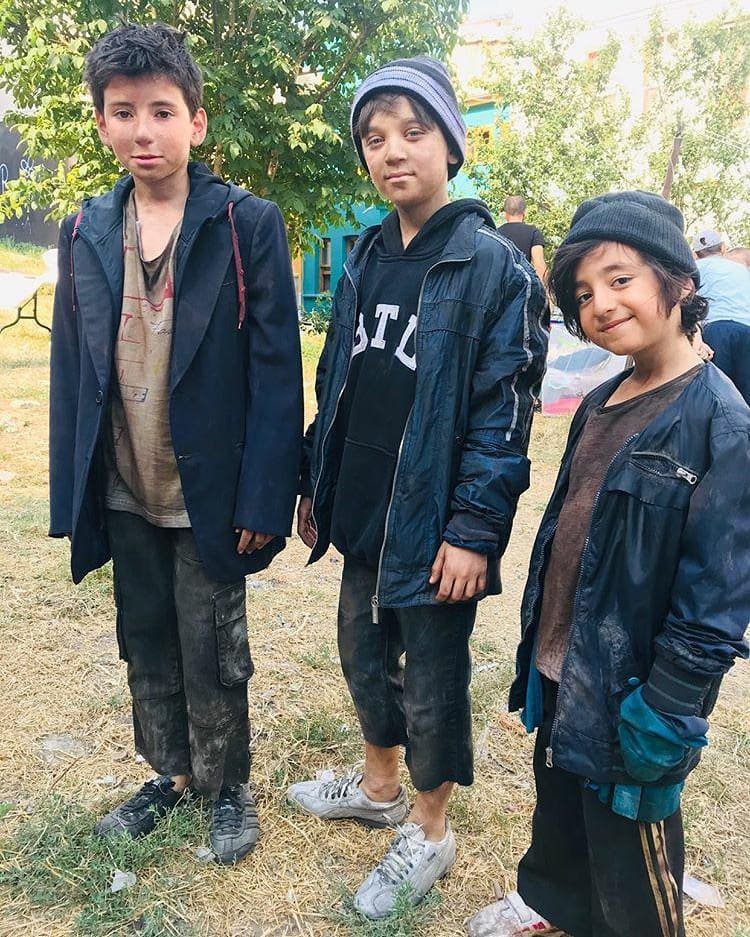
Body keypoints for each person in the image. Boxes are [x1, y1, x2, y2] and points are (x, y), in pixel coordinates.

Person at [287, 56, 547, 919]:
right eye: (374, 138)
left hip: (437, 523)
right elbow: (338, 373)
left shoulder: (494, 266)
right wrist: (315, 475)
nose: (392, 151)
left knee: (430, 679)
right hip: (366, 505)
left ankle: (429, 830)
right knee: (362, 653)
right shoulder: (366, 255)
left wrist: (474, 528)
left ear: (452, 144)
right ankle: (378, 786)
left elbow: (505, 414)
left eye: (413, 131)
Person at [48, 23, 303, 864]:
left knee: (213, 643)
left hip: (210, 487)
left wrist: (265, 494)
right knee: (146, 633)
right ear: (102, 124)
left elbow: (276, 369)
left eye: (162, 111)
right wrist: (72, 490)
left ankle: (228, 783)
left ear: (196, 121)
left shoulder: (245, 223)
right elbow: (70, 366)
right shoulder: (86, 228)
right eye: (124, 113)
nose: (143, 131)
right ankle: (171, 772)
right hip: (124, 480)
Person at [471, 192, 749, 937]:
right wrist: (543, 650)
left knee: (631, 863)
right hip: (568, 667)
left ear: (678, 280)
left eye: (620, 279)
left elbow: (716, 599)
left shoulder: (722, 424)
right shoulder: (601, 399)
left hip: (637, 697)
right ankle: (554, 911)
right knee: (562, 822)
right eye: (584, 293)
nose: (602, 304)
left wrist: (668, 708)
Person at [692, 229, 750, 403]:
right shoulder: (742, 271)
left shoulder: (694, 270)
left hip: (715, 332)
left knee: (718, 395)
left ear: (696, 254)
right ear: (723, 248)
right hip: (746, 330)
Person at [498, 196, 548, 285]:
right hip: (523, 287)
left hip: (499, 287)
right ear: (525, 212)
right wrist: (547, 290)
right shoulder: (533, 232)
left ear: (505, 213)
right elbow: (539, 264)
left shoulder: (495, 233)